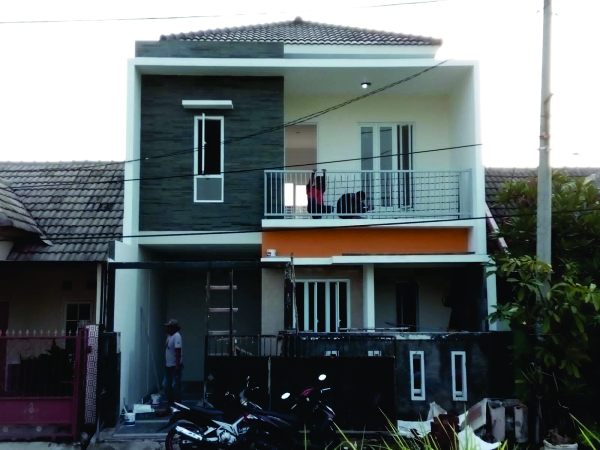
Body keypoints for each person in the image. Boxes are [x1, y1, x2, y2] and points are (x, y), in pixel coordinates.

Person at [164, 319, 183, 407]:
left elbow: (178, 351)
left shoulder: (177, 336)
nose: (167, 329)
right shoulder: (169, 336)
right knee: (166, 386)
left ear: (174, 328)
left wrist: (177, 366)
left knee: (176, 386)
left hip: (174, 366)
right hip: (168, 366)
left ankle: (178, 405)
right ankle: (171, 403)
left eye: (169, 327)